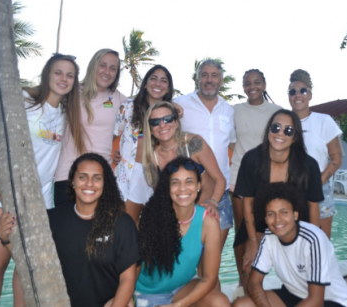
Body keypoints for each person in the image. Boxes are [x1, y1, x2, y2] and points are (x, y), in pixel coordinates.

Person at [0, 54, 80, 307]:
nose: (63, 79)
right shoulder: (24, 99)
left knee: (26, 268)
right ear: (47, 73)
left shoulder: (67, 113)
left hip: (39, 204)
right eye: (58, 72)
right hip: (2, 194)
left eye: (70, 75)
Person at [0, 153, 139, 307]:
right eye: (83, 177)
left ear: (105, 184)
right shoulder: (51, 220)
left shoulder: (121, 223)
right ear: (72, 181)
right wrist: (6, 239)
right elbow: (29, 264)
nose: (89, 183)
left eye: (97, 178)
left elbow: (128, 278)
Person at [233, 109, 324, 291]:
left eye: (288, 130)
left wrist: (314, 243)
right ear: (268, 131)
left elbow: (313, 207)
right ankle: (246, 292)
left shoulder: (308, 165)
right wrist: (252, 241)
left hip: (295, 224)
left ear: (295, 137)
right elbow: (248, 203)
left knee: (306, 277)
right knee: (249, 269)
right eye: (276, 127)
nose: (280, 133)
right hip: (258, 223)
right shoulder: (252, 160)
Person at [232, 182, 347, 307]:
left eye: (284, 212)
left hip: (330, 301)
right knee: (241, 305)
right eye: (271, 214)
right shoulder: (269, 237)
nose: (277, 219)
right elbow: (254, 283)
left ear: (295, 214)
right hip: (293, 295)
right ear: (265, 218)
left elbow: (316, 301)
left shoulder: (313, 239)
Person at [135, 157, 230, 307]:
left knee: (220, 302)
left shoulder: (208, 222)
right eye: (175, 182)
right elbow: (133, 265)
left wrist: (177, 305)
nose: (183, 188)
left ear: (199, 186)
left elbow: (209, 278)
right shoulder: (152, 218)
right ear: (168, 187)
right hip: (148, 293)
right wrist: (125, 296)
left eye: (189, 181)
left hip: (182, 288)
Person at [54, 49, 127, 208]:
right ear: (93, 66)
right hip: (66, 175)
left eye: (113, 68)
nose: (107, 72)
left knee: (95, 232)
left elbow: (147, 113)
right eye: (103, 65)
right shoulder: (71, 92)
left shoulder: (120, 100)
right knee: (64, 231)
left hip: (100, 179)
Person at [174, 59, 235, 247]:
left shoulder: (228, 110)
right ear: (198, 79)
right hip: (188, 193)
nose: (209, 80)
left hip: (220, 194)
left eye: (214, 75)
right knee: (187, 258)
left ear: (221, 80)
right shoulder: (178, 105)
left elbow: (232, 145)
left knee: (213, 261)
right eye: (204, 75)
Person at [231, 69, 281, 287]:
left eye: (257, 82)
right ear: (243, 86)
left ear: (264, 84)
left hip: (268, 180)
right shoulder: (235, 111)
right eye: (248, 83)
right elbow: (227, 140)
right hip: (238, 178)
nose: (252, 87)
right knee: (242, 231)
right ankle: (244, 282)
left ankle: (258, 279)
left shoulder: (276, 111)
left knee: (265, 230)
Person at [141, 101, 225, 219]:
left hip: (212, 206)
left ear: (176, 122)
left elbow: (220, 179)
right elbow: (161, 193)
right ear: (150, 129)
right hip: (181, 215)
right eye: (155, 122)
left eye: (168, 119)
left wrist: (213, 203)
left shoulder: (193, 144)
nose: (162, 125)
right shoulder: (153, 156)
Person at [114, 65, 175, 225]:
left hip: (156, 175)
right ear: (146, 82)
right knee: (127, 225)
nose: (158, 83)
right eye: (153, 78)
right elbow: (116, 134)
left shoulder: (171, 113)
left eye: (164, 80)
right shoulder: (128, 106)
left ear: (168, 88)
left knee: (153, 228)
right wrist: (116, 155)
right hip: (129, 174)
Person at [288, 69, 343, 239]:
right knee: (295, 240)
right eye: (293, 91)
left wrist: (318, 181)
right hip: (291, 188)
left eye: (303, 90)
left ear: (310, 95)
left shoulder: (324, 120)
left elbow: (336, 158)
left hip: (320, 188)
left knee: (322, 241)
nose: (298, 95)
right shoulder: (283, 122)